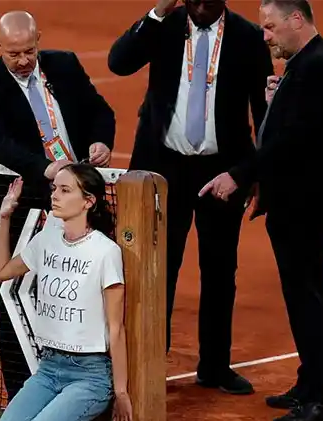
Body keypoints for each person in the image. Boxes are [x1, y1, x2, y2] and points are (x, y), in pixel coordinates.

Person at [107, 0, 273, 395]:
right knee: (158, 269)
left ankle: (215, 366)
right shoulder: (165, 24)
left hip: (222, 172)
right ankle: (151, 362)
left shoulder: (248, 37)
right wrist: (157, 11)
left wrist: (254, 174)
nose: (198, 6)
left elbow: (263, 111)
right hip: (163, 169)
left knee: (220, 270)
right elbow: (119, 62)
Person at [199, 0, 323, 421]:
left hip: (305, 202)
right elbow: (285, 128)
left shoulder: (321, 65)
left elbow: (293, 140)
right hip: (291, 201)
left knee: (308, 298)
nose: (264, 36)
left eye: (270, 27)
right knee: (300, 297)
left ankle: (321, 400)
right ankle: (309, 382)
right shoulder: (305, 63)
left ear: (295, 19)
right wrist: (275, 99)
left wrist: (239, 175)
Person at [0, 10, 116, 404]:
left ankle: (83, 389)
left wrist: (101, 140)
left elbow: (100, 110)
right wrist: (46, 168)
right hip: (25, 205)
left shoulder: (64, 66)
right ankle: (20, 394)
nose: (23, 60)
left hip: (78, 203)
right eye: (13, 54)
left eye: (29, 51)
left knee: (82, 294)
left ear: (39, 40)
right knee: (14, 298)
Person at [0, 163, 134, 421]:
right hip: (49, 367)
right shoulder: (46, 240)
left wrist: (120, 392)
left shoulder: (105, 252)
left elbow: (116, 328)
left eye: (65, 190)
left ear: (88, 201)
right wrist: (4, 217)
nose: (55, 195)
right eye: (55, 188)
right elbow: (1, 272)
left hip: (90, 376)